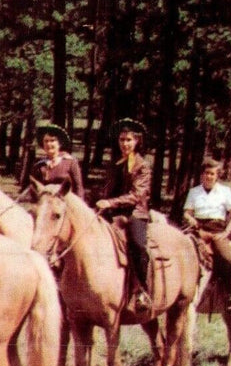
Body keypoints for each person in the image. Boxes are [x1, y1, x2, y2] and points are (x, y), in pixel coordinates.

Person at [95, 118, 153, 312]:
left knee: (137, 244)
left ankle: (142, 290)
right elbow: (108, 190)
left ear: (137, 141)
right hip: (114, 212)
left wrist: (110, 202)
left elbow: (137, 195)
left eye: (129, 140)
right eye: (122, 140)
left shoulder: (142, 166)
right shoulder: (115, 164)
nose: (125, 143)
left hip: (136, 213)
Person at [183, 159, 231, 309]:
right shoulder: (194, 192)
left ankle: (229, 294)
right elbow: (187, 213)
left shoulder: (225, 192)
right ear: (202, 174)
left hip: (217, 229)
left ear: (217, 175)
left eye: (212, 174)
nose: (209, 176)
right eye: (206, 173)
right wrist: (191, 219)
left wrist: (227, 231)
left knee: (225, 258)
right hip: (198, 228)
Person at [29, 124, 84, 198]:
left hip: (67, 202)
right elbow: (34, 190)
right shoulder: (39, 166)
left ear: (60, 143)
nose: (49, 144)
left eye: (52, 140)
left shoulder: (70, 162)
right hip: (46, 202)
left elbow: (78, 188)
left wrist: (78, 205)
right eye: (46, 141)